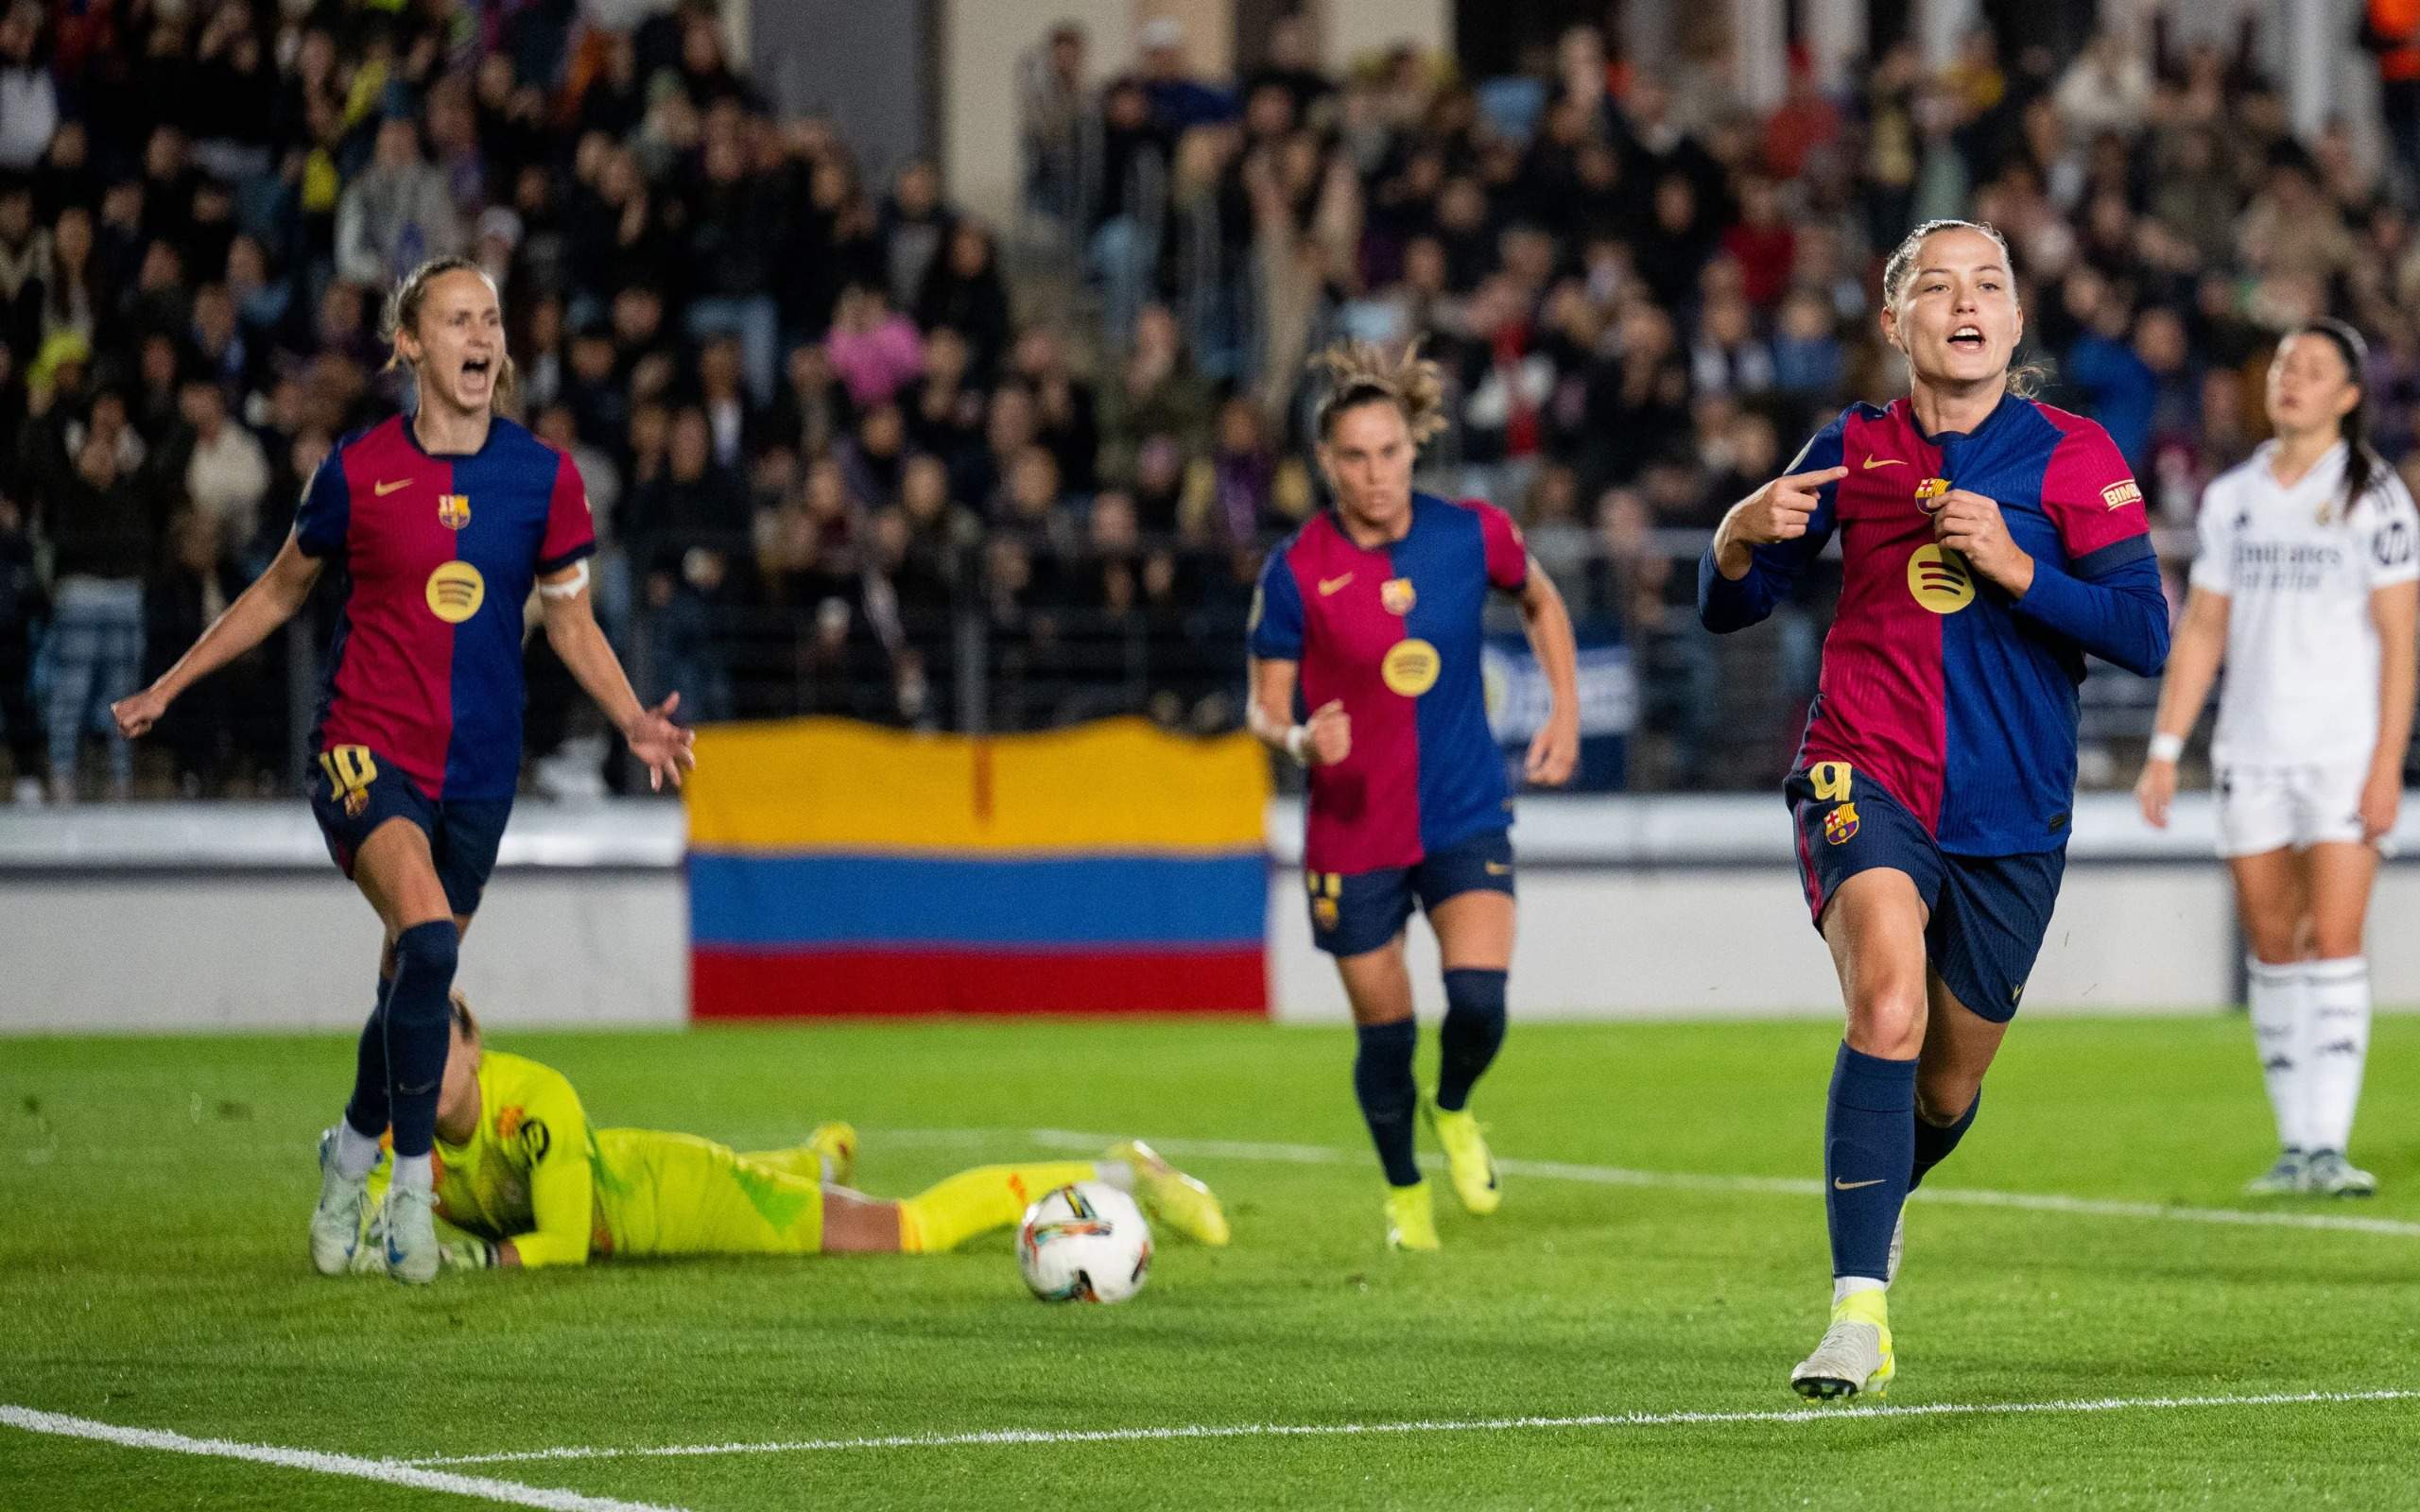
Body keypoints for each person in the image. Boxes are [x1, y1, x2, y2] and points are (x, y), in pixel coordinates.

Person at [111, 255, 695, 1284]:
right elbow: (280, 592)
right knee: (427, 937)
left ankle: (348, 1155)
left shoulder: (543, 478)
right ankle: (409, 1194)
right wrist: (174, 681)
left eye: (493, 320)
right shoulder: (356, 469)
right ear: (411, 344)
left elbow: (570, 622)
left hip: (478, 771)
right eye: (459, 319)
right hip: (363, 748)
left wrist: (633, 719)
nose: (482, 336)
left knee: (411, 979)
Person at [1698, 220, 2169, 1400]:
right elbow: (1736, 606)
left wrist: (2021, 570)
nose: (1966, 303)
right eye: (1937, 286)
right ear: (1895, 320)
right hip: (1864, 772)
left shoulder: (2074, 457)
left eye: (1989, 285)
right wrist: (1732, 535)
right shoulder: (1849, 449)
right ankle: (1857, 1316)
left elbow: (2146, 633)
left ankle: (1880, 1195)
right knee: (1889, 1003)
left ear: (2014, 323)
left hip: (2014, 814)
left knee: (1946, 1089)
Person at [1246, 340, 1581, 1252]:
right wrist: (1301, 738)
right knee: (1385, 1033)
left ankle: (1456, 1106)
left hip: (1464, 809)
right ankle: (1403, 1190)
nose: (1376, 473)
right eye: (1354, 457)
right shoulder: (1296, 570)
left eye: (1389, 452)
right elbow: (1264, 708)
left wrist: (1565, 712)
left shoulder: (1471, 533)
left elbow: (1541, 601)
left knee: (1478, 1002)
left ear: (1411, 448)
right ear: (1327, 463)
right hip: (1354, 833)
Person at [339, 990, 1230, 1272]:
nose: (419, 1066)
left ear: (473, 1044)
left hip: (687, 1200)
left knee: (904, 1232)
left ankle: (1115, 1169)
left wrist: (463, 1259)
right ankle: (818, 1154)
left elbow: (565, 1241)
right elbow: (362, 1232)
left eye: (434, 1043)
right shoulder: (389, 1131)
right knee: (805, 1179)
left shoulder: (534, 1103)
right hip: (646, 1173)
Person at [2135, 319, 2417, 1199]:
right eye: (2284, 364)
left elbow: (2401, 641)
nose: (2292, 378)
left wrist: (2386, 767)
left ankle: (2328, 1143)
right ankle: (2295, 1142)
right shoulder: (2235, 496)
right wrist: (2164, 748)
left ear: (2348, 396)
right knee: (2272, 944)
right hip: (2251, 752)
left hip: (2340, 753)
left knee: (2332, 938)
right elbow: (2206, 629)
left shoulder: (2376, 498)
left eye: (2315, 368)